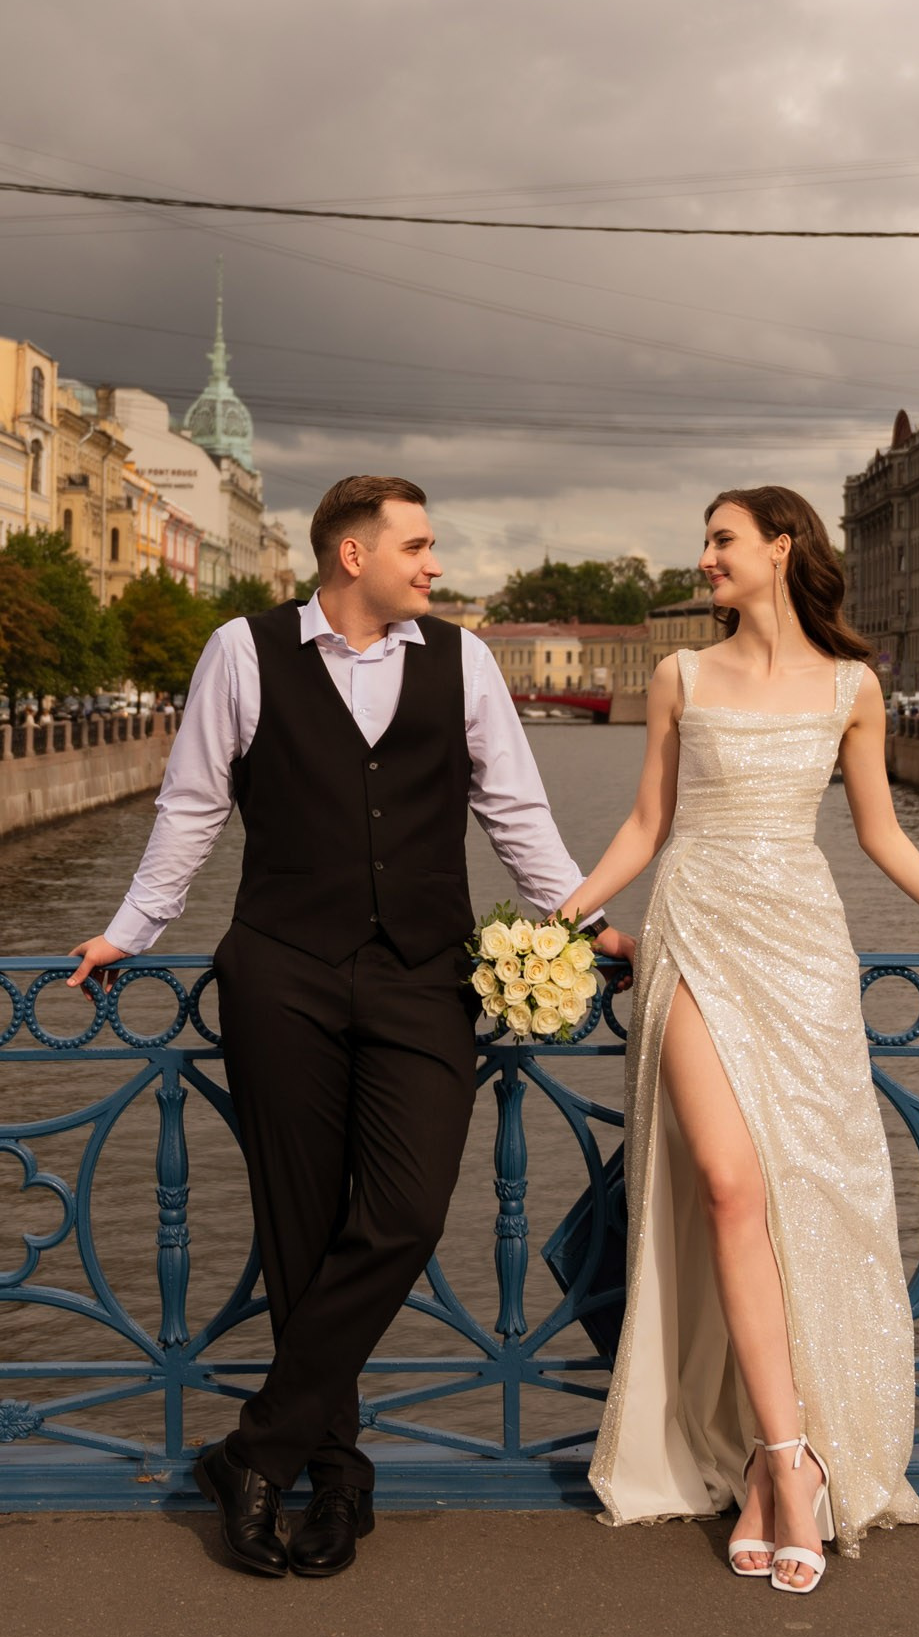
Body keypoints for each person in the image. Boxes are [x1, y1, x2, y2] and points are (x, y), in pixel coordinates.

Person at [67, 476, 629, 1580]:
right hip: (282, 970)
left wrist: (590, 923)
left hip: (424, 974)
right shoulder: (242, 651)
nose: (433, 565)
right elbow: (192, 806)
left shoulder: (463, 661)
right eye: (416, 546)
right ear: (350, 554)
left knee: (405, 1211)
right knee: (302, 1228)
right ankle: (334, 1474)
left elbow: (515, 813)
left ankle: (253, 1453)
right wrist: (130, 930)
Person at [564, 486, 919, 1593]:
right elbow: (647, 823)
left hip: (799, 950)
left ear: (780, 548)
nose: (705, 558)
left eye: (722, 540)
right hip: (693, 935)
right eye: (704, 541)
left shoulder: (851, 685)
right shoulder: (679, 674)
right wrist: (556, 919)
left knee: (802, 1197)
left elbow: (881, 833)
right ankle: (790, 1462)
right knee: (727, 1186)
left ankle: (768, 1458)